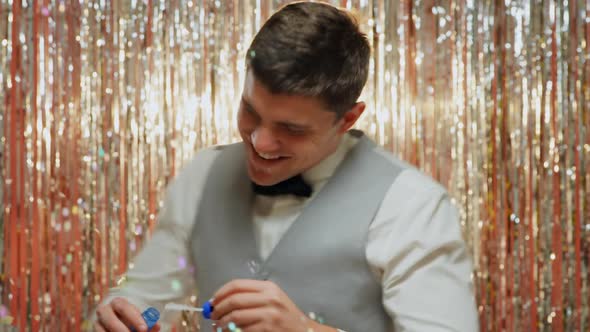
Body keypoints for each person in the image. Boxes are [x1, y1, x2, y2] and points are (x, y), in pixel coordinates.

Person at [93, 2, 479, 331]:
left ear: (347, 120)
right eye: (250, 111)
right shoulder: (204, 172)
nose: (259, 142)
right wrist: (122, 303)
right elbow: (147, 287)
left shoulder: (413, 205)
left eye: (290, 129)